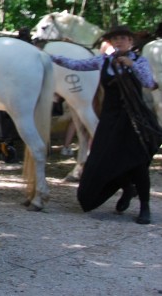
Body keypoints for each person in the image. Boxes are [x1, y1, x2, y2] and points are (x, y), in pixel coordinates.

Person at [49, 25, 161, 224]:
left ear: (131, 42)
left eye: (123, 38)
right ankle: (127, 189)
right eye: (115, 39)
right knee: (103, 160)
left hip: (132, 120)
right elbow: (77, 65)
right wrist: (52, 57)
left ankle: (144, 207)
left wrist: (131, 66)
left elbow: (149, 84)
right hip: (110, 121)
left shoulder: (140, 61)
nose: (119, 41)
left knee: (137, 163)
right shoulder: (104, 60)